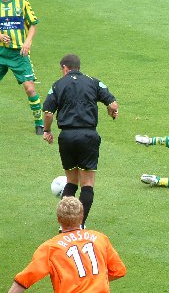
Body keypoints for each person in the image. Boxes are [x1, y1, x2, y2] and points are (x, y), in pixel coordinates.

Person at [42, 54, 119, 229]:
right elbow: (113, 104)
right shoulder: (93, 82)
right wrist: (111, 112)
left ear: (64, 68)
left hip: (67, 137)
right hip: (88, 136)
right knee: (87, 184)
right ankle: (80, 225)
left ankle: (65, 226)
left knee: (71, 182)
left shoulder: (57, 85)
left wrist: (47, 131)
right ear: (78, 67)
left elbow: (48, 113)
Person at [8, 197, 126, 293]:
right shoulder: (100, 238)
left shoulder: (50, 247)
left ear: (59, 219)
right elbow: (118, 271)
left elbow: (22, 281)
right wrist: (93, 280)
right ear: (81, 217)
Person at [0, 0, 44, 135]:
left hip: (19, 54)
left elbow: (32, 24)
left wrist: (28, 41)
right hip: (0, 52)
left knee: (30, 89)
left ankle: (39, 123)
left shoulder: (22, 2)